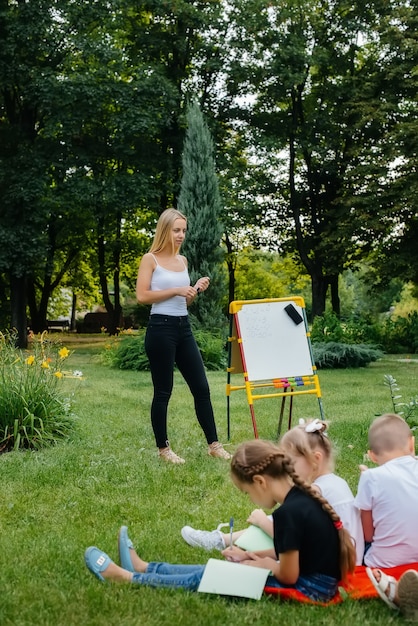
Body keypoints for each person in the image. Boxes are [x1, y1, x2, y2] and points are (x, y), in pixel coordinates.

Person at [84, 439, 356, 602]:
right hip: (316, 578)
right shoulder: (300, 499)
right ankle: (145, 567)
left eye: (247, 492)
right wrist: (250, 555)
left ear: (260, 481)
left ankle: (127, 578)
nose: (250, 499)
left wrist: (261, 563)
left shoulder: (288, 513)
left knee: (210, 575)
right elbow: (292, 549)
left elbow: (289, 573)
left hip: (312, 587)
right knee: (217, 567)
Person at [181, 418, 364, 565]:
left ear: (315, 459)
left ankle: (219, 540)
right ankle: (221, 539)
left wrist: (262, 523)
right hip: (346, 558)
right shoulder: (335, 483)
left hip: (337, 565)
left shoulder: (315, 491)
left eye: (290, 462)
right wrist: (253, 555)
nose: (285, 468)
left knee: (272, 520)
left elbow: (291, 539)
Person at [135, 208, 230, 464]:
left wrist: (192, 292)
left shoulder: (183, 261)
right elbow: (142, 296)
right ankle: (164, 450)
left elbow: (182, 303)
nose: (181, 235)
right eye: (176, 230)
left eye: (183, 231)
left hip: (183, 328)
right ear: (165, 230)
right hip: (160, 329)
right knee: (163, 391)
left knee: (201, 387)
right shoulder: (150, 259)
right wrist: (177, 289)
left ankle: (214, 445)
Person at [354, 413, 418, 568]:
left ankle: (387, 582)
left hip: (384, 564)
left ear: (372, 456)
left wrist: (366, 477)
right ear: (412, 444)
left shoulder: (370, 477)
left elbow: (368, 535)